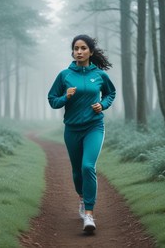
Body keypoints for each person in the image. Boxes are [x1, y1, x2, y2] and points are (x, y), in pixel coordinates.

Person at [47, 34, 116, 232]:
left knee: (87, 167)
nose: (79, 51)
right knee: (77, 172)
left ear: (90, 52)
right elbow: (52, 100)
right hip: (72, 129)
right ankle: (82, 198)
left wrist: (102, 105)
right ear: (73, 52)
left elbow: (111, 93)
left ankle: (89, 214)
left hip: (94, 127)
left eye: (83, 48)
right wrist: (65, 97)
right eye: (76, 48)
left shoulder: (100, 75)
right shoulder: (64, 75)